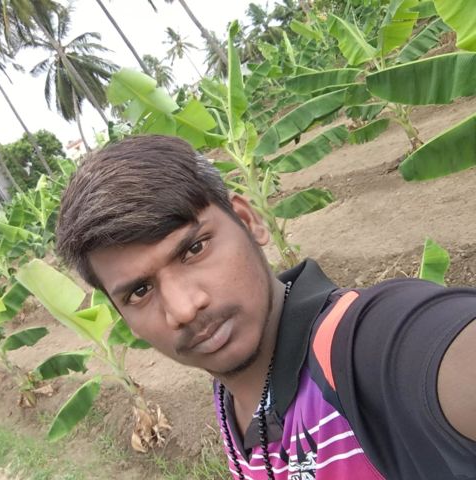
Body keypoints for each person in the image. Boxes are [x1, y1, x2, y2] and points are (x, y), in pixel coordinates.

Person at [55, 135, 476, 479]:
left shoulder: (367, 348)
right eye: (140, 291)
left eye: (194, 249)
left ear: (248, 220)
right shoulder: (230, 400)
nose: (183, 309)